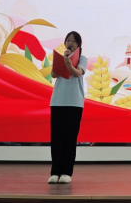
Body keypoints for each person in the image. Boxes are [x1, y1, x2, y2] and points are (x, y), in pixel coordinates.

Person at [48, 31, 88, 184]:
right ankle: (55, 172)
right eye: (68, 40)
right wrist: (62, 61)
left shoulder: (82, 59)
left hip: (74, 103)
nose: (70, 43)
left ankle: (66, 172)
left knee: (70, 138)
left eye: (73, 41)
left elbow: (77, 73)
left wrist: (69, 64)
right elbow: (53, 74)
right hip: (58, 101)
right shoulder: (61, 57)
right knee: (56, 138)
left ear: (78, 45)